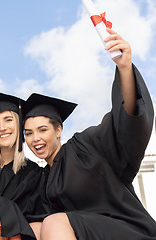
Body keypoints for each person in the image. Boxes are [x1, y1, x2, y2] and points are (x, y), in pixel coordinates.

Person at [22, 29, 156, 239]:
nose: (35, 138)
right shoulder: (44, 181)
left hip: (125, 229)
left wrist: (125, 69)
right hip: (79, 233)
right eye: (28, 133)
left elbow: (125, 125)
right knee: (33, 229)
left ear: (58, 130)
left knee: (53, 222)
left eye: (42, 130)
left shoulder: (86, 146)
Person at [0, 92, 44, 239]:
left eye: (8, 120)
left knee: (0, 208)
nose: (2, 127)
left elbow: (30, 219)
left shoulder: (33, 173)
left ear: (19, 124)